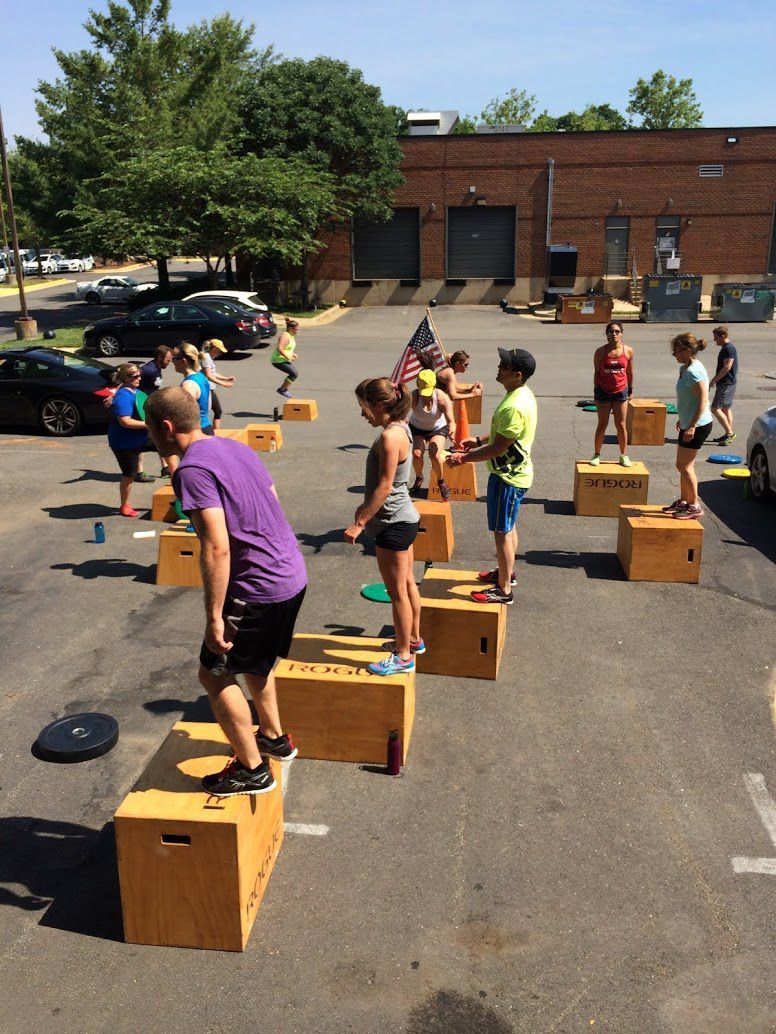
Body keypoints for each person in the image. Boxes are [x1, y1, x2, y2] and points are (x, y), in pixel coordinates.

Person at [144, 386, 308, 797]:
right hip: (291, 575)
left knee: (214, 673)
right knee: (257, 662)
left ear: (164, 427)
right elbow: (271, 500)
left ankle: (253, 771)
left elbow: (216, 546)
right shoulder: (234, 448)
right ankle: (273, 738)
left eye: (149, 428)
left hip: (257, 587)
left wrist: (215, 616)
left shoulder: (192, 471)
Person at [446, 347, 537, 605]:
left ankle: (504, 590)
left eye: (503, 366)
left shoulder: (514, 406)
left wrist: (463, 459)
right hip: (514, 475)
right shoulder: (521, 394)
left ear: (517, 374)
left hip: (507, 478)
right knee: (509, 526)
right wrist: (475, 440)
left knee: (501, 532)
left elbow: (499, 447)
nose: (498, 368)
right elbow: (502, 434)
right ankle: (508, 573)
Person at [345, 378, 423, 676]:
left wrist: (360, 522)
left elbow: (386, 486)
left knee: (397, 592)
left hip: (393, 523)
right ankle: (413, 640)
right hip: (403, 520)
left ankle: (403, 656)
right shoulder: (402, 426)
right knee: (406, 585)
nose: (363, 414)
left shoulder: (390, 437)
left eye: (364, 407)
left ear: (379, 405)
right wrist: (364, 508)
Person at [662, 333, 713, 521]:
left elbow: (703, 401)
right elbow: (687, 399)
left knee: (685, 465)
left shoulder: (694, 371)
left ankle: (694, 506)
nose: (674, 354)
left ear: (687, 350)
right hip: (688, 422)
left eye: (676, 350)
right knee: (681, 465)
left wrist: (691, 426)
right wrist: (682, 419)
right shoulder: (685, 368)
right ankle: (684, 501)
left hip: (698, 425)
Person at [107, 362, 155, 517]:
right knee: (130, 475)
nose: (139, 378)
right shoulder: (123, 396)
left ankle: (179, 485)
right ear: (126, 379)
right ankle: (124, 506)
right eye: (135, 376)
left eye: (139, 374)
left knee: (168, 447)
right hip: (124, 443)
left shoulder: (133, 391)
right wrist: (149, 424)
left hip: (140, 437)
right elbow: (125, 421)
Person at [590, 321, 634, 467]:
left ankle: (624, 455)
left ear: (621, 333)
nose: (614, 334)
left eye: (617, 331)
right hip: (603, 391)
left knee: (621, 425)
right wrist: (596, 391)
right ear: (607, 334)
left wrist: (630, 390)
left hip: (621, 391)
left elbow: (629, 372)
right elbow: (597, 372)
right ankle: (596, 455)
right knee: (602, 424)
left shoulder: (628, 351)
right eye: (611, 332)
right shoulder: (600, 352)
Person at [408, 369, 456, 501]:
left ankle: (441, 482)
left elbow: (451, 421)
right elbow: (400, 414)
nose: (425, 396)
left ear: (434, 387)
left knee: (434, 454)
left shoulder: (441, 398)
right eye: (423, 392)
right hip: (417, 428)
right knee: (417, 454)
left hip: (438, 428)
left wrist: (452, 430)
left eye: (428, 393)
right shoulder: (413, 397)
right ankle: (419, 478)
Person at [138, 345, 173, 476]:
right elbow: (129, 379)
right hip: (142, 409)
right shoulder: (148, 370)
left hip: (153, 408)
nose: (169, 363)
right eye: (168, 360)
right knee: (140, 439)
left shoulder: (156, 369)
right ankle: (139, 471)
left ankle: (165, 467)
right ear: (159, 357)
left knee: (160, 436)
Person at [172, 342, 213, 435]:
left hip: (196, 432)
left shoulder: (188, 384)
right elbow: (208, 405)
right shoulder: (201, 376)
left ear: (183, 361)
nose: (172, 362)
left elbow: (183, 413)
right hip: (206, 427)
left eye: (174, 359)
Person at [709, 325, 738, 445]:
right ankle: (728, 433)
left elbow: (727, 367)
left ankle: (729, 433)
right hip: (729, 382)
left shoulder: (728, 348)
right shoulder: (727, 347)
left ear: (722, 336)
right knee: (726, 408)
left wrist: (714, 380)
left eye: (716, 338)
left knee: (715, 408)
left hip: (725, 383)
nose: (714, 340)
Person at [200, 338, 236, 431]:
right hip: (205, 388)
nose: (220, 354)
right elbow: (208, 375)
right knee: (212, 411)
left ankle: (216, 433)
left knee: (217, 411)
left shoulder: (210, 358)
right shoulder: (206, 358)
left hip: (209, 388)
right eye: (219, 351)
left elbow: (213, 373)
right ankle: (212, 433)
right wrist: (224, 384)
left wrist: (226, 378)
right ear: (214, 349)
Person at [272, 319, 300, 398]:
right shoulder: (285, 336)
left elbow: (287, 348)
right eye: (296, 329)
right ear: (291, 329)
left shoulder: (291, 335)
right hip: (278, 360)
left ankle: (283, 389)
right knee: (294, 373)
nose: (297, 331)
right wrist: (287, 356)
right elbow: (280, 348)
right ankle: (282, 389)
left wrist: (292, 354)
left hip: (283, 359)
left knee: (294, 374)